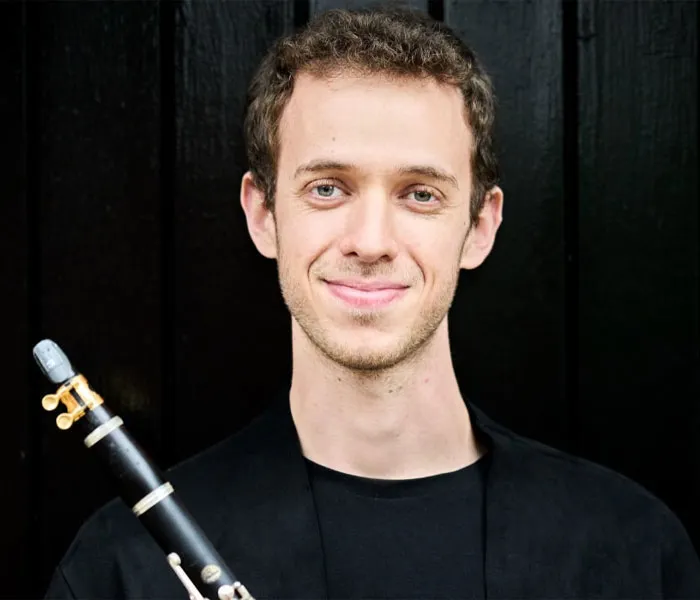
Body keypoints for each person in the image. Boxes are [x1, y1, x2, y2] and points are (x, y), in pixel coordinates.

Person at [45, 6, 700, 599]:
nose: (371, 242)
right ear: (264, 216)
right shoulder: (122, 569)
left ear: (480, 227)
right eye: (329, 188)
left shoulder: (634, 550)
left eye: (420, 193)